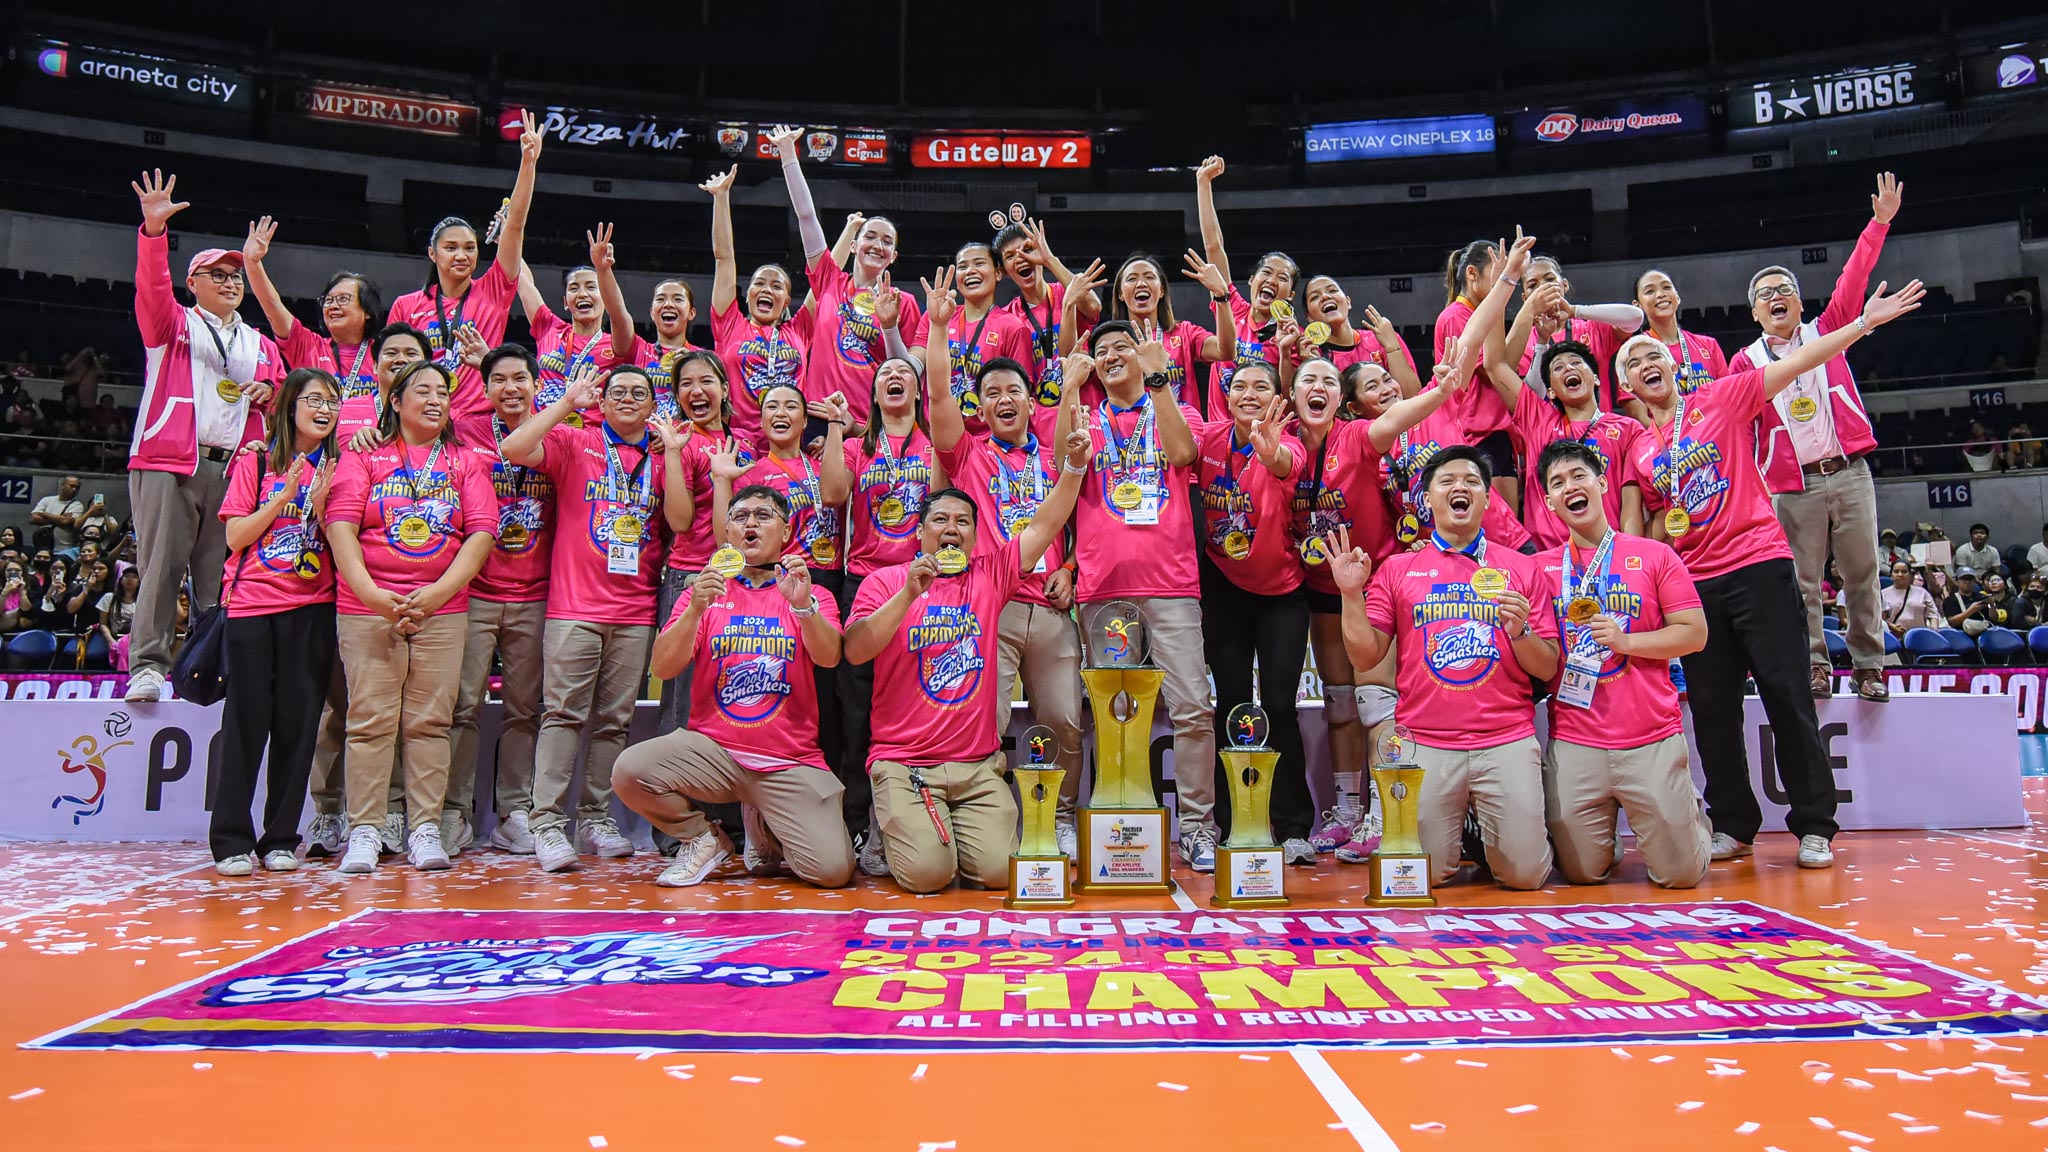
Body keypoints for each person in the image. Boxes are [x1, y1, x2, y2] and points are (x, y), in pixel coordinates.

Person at [1623, 275, 1925, 869]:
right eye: (1633, 362)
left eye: (1652, 353)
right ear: (1628, 385)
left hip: (1759, 565)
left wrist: (1861, 324)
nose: (1644, 362)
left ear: (1673, 365)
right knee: (1711, 709)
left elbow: (1804, 357)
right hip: (1697, 587)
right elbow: (1659, 526)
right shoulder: (1640, 448)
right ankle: (1733, 824)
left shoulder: (1723, 397)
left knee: (1789, 696)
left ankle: (1814, 823)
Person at [842, 432, 1086, 894]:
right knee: (930, 876)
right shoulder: (885, 581)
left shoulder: (990, 575)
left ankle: (924, 830)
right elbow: (855, 650)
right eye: (939, 520)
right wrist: (908, 595)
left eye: (962, 521)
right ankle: (890, 825)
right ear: (919, 531)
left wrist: (1072, 467)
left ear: (975, 535)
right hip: (906, 761)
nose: (951, 529)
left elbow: (1042, 526)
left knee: (998, 874)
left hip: (975, 767)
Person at [1327, 446, 1561, 891]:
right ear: (1428, 499)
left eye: (1472, 481)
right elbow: (1364, 656)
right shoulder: (1399, 568)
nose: (1460, 488)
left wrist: (1520, 631)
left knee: (1526, 877)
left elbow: (1547, 666)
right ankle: (1469, 824)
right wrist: (1350, 595)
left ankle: (1484, 823)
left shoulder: (1521, 568)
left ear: (1489, 499)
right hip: (1426, 742)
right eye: (1447, 481)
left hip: (1505, 738)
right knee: (1421, 877)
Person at [499, 364, 692, 872]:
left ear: (654, 406)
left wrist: (671, 451)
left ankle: (594, 817)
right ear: (601, 403)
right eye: (617, 393)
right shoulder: (572, 441)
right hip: (574, 606)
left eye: (639, 393)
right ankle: (545, 824)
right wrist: (567, 402)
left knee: (615, 721)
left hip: (635, 610)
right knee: (563, 714)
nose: (628, 399)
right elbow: (514, 449)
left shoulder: (659, 452)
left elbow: (678, 523)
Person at [612, 485, 855, 888]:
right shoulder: (704, 593)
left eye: (763, 516)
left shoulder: (812, 593)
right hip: (716, 752)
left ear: (786, 531)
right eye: (740, 517)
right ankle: (703, 839)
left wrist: (803, 606)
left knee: (831, 872)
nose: (751, 525)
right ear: (727, 533)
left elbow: (829, 658)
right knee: (630, 770)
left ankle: (763, 823)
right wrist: (693, 609)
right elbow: (663, 666)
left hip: (788, 758)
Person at [927, 273, 1086, 855]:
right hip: (987, 606)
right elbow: (940, 398)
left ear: (1028, 398)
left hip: (1050, 605)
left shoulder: (1054, 456)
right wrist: (939, 329)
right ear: (982, 405)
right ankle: (985, 824)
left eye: (1012, 390)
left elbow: (1077, 521)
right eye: (990, 392)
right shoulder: (967, 452)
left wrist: (1070, 565)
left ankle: (1060, 819)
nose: (1002, 399)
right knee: (983, 725)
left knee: (1064, 721)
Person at [1058, 320, 1221, 868]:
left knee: (1193, 708)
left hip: (1171, 582)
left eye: (1121, 347)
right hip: (1103, 587)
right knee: (1115, 711)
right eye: (1100, 351)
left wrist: (1159, 382)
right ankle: (1119, 822)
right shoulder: (1084, 417)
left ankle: (1198, 827)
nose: (1110, 356)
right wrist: (1064, 393)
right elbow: (1062, 477)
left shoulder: (1174, 406)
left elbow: (1182, 455)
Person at [325, 360, 499, 874]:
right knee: (370, 721)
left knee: (430, 723)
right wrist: (375, 596)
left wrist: (438, 594)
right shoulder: (364, 459)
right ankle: (366, 830)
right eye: (421, 391)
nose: (434, 399)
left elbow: (482, 534)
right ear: (395, 401)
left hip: (442, 609)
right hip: (367, 607)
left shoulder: (465, 462)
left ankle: (424, 828)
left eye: (442, 392)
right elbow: (340, 529)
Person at [1738, 173, 1905, 705]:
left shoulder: (1828, 332)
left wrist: (1878, 224)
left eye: (1784, 289)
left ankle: (1869, 666)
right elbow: (1737, 430)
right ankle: (1814, 664)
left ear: (1799, 302)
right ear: (1755, 312)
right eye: (1765, 295)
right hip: (1794, 486)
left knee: (1863, 573)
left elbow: (1853, 280)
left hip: (1848, 471)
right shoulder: (1745, 362)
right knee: (1802, 585)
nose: (1775, 297)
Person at [1288, 355, 1460, 860]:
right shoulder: (1287, 446)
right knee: (1339, 703)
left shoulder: (1357, 435)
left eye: (1327, 382)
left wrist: (1438, 392)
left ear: (1341, 401)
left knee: (1375, 703)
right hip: (1321, 584)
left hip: (1376, 581)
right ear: (1294, 395)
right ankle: (1345, 812)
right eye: (1307, 381)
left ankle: (1384, 816)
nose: (1318, 388)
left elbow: (1396, 419)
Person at [125, 170, 282, 705]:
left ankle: (207, 667)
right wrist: (153, 233)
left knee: (221, 580)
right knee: (161, 570)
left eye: (235, 276)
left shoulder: (261, 344)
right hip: (170, 462)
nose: (229, 282)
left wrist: (272, 392)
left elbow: (285, 397)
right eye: (216, 275)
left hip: (235, 470)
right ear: (192, 284)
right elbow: (150, 290)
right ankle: (147, 665)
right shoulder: (171, 326)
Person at [1530, 439, 1712, 888]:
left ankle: (1690, 818)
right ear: (1550, 503)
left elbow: (1694, 633)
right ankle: (1604, 833)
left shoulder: (1654, 555)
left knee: (1681, 876)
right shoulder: (1538, 569)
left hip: (1650, 736)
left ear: (1601, 483)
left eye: (1578, 476)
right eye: (1557, 483)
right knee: (1580, 873)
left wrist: (1626, 641)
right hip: (1576, 740)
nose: (1570, 486)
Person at [209, 368, 340, 876]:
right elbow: (237, 536)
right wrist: (284, 497)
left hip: (312, 608)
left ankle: (281, 837)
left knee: (299, 723)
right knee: (245, 724)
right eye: (313, 400)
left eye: (332, 400)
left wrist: (325, 507)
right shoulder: (258, 460)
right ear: (289, 407)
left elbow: (339, 539)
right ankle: (230, 840)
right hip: (253, 607)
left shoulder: (340, 466)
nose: (324, 409)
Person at [1188, 358, 1316, 862]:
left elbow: (1288, 465)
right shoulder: (1211, 439)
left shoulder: (1290, 442)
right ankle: (1231, 820)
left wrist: (1271, 453)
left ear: (1276, 396)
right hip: (1223, 589)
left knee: (1280, 707)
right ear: (1226, 395)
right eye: (1239, 386)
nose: (1249, 394)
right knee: (1234, 704)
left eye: (1261, 387)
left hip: (1283, 592)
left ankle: (1292, 826)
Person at [445, 345, 557, 856]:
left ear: (537, 384)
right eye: (499, 380)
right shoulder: (463, 429)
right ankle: (452, 810)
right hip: (474, 591)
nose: (510, 388)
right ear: (484, 388)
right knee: (462, 705)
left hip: (536, 593)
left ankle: (516, 811)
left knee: (522, 709)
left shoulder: (559, 430)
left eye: (520, 378)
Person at [836, 353, 940, 866]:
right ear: (873, 397)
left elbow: (945, 505)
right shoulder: (859, 447)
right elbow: (834, 493)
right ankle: (858, 825)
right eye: (883, 376)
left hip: (924, 585)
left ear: (919, 391)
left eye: (904, 373)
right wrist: (836, 431)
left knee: (909, 706)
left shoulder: (934, 446)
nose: (894, 378)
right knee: (856, 715)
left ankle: (912, 821)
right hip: (866, 583)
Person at [384, 110, 539, 418]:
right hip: (421, 420)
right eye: (451, 248)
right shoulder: (406, 305)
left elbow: (516, 226)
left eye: (469, 248)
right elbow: (390, 372)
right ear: (433, 254)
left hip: (477, 422)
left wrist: (528, 163)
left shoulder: (494, 290)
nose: (462, 255)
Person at [774, 124, 925, 428]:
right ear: (854, 245)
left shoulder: (904, 303)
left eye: (887, 242)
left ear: (893, 257)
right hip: (817, 414)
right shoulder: (829, 280)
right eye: (871, 236)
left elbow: (908, 370)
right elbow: (806, 217)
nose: (878, 245)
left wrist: (889, 325)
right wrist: (788, 153)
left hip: (870, 423)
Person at [1479, 313, 1646, 550]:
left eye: (1577, 363)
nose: (1568, 368)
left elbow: (1631, 503)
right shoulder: (1537, 418)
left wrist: (1631, 552)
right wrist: (1501, 283)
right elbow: (1494, 363)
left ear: (1596, 379)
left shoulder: (1627, 429)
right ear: (1552, 392)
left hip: (1607, 554)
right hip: (1548, 558)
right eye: (1558, 367)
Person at [702, 165, 809, 448]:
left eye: (777, 286)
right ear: (747, 294)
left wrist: (850, 234)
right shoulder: (730, 324)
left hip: (791, 444)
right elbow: (723, 258)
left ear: (786, 301)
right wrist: (721, 197)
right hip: (740, 443)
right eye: (759, 283)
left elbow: (824, 276)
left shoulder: (799, 329)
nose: (767, 289)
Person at [1195, 155, 1299, 411]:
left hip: (1264, 439)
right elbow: (1213, 246)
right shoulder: (1231, 309)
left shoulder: (1293, 337)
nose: (1272, 280)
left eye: (1282, 278)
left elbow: (1291, 399)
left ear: (1291, 295)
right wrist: (1203, 183)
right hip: (1221, 437)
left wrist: (1287, 352)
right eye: (1267, 272)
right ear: (1252, 280)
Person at [241, 217, 382, 400]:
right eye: (328, 300)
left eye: (343, 299)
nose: (333, 306)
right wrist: (252, 262)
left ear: (368, 312)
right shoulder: (309, 346)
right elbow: (273, 307)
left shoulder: (383, 353)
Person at [518, 224, 637, 414]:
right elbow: (523, 283)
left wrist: (603, 270)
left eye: (591, 287)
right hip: (543, 431)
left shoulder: (617, 345)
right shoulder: (550, 328)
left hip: (589, 435)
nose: (582, 294)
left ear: (605, 297)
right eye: (574, 288)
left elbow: (620, 317)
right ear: (566, 302)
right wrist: (505, 238)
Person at [1101, 251, 1237, 410]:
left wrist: (1221, 296)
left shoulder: (1184, 332)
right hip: (1136, 432)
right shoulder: (1110, 342)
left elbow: (1226, 352)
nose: (1141, 284)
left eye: (1149, 277)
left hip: (1183, 429)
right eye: (1132, 279)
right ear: (1120, 294)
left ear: (1162, 291)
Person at [994, 216, 1099, 410]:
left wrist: (1049, 259)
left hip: (1084, 405)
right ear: (1005, 271)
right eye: (1010, 256)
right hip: (1039, 417)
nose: (1021, 258)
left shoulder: (1066, 291)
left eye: (1027, 250)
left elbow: (1093, 307)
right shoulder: (1006, 317)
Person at [936, 240, 1033, 437]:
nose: (970, 270)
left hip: (988, 442)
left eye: (979, 263)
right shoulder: (939, 320)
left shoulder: (1012, 327)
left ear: (998, 273)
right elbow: (914, 365)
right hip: (940, 438)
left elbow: (1020, 392)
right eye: (963, 266)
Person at [1633, 269, 1727, 406]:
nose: (1661, 294)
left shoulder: (1709, 345)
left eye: (1667, 287)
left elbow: (1727, 396)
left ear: (1677, 297)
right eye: (1650, 291)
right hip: (1668, 427)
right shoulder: (1633, 351)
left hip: (1713, 426)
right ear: (1638, 305)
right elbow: (1638, 413)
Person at [1881, 560, 1942, 639]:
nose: (1900, 574)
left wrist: (1934, 631)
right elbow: (1881, 619)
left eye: (1904, 571)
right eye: (1896, 571)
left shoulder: (1922, 592)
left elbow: (1933, 614)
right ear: (1891, 574)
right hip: (1894, 637)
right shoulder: (1883, 594)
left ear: (1910, 574)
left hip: (1920, 637)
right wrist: (1891, 627)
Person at [31, 475, 84, 553]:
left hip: (65, 548)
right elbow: (34, 519)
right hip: (43, 546)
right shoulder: (47, 500)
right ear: (63, 485)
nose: (74, 489)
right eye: (71, 486)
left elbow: (65, 522)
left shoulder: (77, 505)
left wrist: (44, 514)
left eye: (77, 488)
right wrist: (60, 518)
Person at [1943, 567, 1989, 634]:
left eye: (1970, 579)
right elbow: (1952, 622)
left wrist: (1992, 605)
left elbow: (1993, 619)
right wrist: (1971, 610)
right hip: (1959, 634)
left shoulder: (1981, 596)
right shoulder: (1950, 600)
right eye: (1964, 579)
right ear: (1957, 581)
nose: (1967, 582)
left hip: (1983, 630)